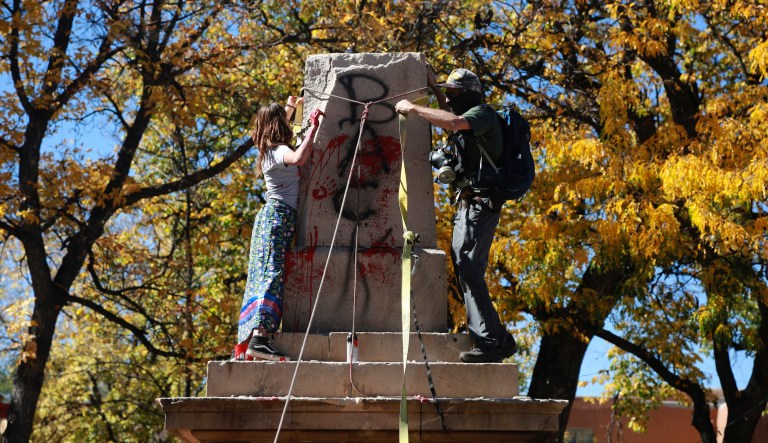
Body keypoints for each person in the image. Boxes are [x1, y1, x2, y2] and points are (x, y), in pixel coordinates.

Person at [395, 67, 517, 363]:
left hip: (481, 204)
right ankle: (495, 337)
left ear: (469, 94)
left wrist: (413, 108)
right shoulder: (467, 112)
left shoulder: (482, 115)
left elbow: (454, 121)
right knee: (466, 267)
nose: (448, 98)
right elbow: (450, 110)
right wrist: (434, 84)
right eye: (446, 92)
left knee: (469, 267)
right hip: (470, 203)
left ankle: (493, 341)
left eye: (453, 92)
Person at [238, 96, 324, 361]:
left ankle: (251, 338)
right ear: (278, 127)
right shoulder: (278, 152)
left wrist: (290, 107)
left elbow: (277, 123)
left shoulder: (267, 151)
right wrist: (313, 127)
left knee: (263, 273)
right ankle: (261, 338)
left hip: (270, 219)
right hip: (279, 218)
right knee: (272, 274)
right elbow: (299, 157)